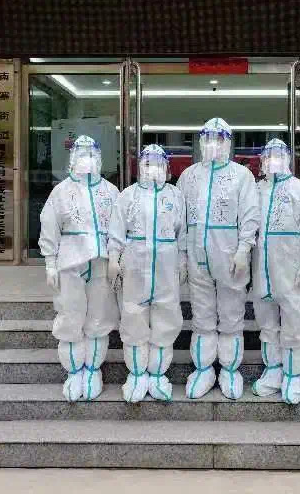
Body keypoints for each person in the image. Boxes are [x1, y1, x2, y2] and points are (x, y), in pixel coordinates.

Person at [176, 118, 260, 400]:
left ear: (228, 142)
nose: (213, 144)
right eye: (208, 138)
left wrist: (244, 250)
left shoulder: (241, 176)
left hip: (230, 257)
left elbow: (250, 215)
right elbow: (180, 219)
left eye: (219, 139)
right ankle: (203, 369)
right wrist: (182, 256)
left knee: (232, 315)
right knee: (201, 316)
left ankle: (229, 369)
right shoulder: (188, 176)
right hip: (197, 257)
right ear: (200, 142)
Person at [39, 135, 119, 402]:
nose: (87, 159)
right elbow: (49, 226)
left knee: (99, 318)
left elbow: (120, 229)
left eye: (91, 154)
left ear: (100, 159)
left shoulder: (110, 191)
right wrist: (50, 263)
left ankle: (93, 370)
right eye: (81, 154)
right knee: (70, 317)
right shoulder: (61, 192)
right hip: (70, 264)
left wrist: (117, 258)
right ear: (72, 159)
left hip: (101, 263)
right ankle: (74, 372)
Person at [108, 144, 187, 403]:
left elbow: (183, 233)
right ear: (140, 167)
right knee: (133, 316)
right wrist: (113, 258)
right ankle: (137, 374)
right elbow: (117, 231)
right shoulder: (128, 195)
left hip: (166, 265)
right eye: (148, 164)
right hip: (135, 264)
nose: (153, 169)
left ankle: (157, 374)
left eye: (158, 164)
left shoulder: (175, 195)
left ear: (167, 168)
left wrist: (183, 260)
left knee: (166, 316)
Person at [250, 139, 300, 404]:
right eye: (268, 156)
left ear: (289, 159)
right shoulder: (255, 190)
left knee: (295, 318)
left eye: (279, 155)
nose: (273, 161)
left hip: (291, 266)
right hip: (262, 267)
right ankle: (273, 370)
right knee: (266, 319)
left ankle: (293, 375)